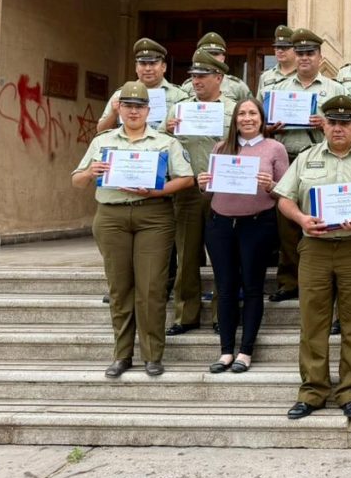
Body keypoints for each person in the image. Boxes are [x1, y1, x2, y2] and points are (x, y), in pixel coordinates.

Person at [275, 95, 351, 420]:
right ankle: (313, 391)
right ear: (324, 125)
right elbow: (284, 198)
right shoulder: (305, 158)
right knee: (313, 323)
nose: (339, 128)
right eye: (333, 122)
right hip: (314, 248)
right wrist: (301, 219)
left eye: (346, 123)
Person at [71, 82, 194, 378]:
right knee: (119, 288)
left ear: (148, 111)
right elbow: (76, 179)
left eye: (139, 106)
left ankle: (153, 355)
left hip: (153, 216)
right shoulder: (102, 141)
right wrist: (91, 172)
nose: (134, 111)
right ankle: (122, 355)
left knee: (151, 288)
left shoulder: (165, 141)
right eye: (128, 106)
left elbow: (187, 178)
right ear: (120, 108)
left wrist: (157, 190)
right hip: (111, 217)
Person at [196, 97, 289, 374]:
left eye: (252, 113)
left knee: (251, 287)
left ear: (261, 119)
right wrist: (203, 184)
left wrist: (271, 185)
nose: (247, 118)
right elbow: (212, 191)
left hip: (257, 225)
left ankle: (245, 351)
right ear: (235, 119)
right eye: (242, 114)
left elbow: (286, 192)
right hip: (220, 225)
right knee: (224, 288)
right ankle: (225, 351)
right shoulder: (221, 147)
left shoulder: (275, 148)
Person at [266, 28, 346, 303]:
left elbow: (348, 127)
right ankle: (289, 281)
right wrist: (270, 127)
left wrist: (324, 123)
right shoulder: (277, 90)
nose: (304, 58)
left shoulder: (335, 89)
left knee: (327, 217)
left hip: (322, 158)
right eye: (299, 53)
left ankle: (331, 280)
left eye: (309, 53)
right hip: (287, 157)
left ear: (320, 56)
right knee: (287, 222)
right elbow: (261, 128)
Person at [162, 50, 237, 336]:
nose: (196, 81)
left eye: (203, 76)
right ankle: (186, 314)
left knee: (223, 255)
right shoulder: (179, 108)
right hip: (189, 189)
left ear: (219, 77)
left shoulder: (233, 109)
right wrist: (166, 129)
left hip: (224, 189)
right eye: (193, 76)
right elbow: (162, 144)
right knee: (187, 254)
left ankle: (222, 312)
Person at [97, 38, 188, 132]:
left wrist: (174, 128)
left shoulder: (179, 96)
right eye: (143, 64)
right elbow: (101, 131)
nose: (148, 68)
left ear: (164, 67)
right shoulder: (121, 94)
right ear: (136, 67)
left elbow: (192, 137)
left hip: (163, 145)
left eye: (153, 63)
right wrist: (113, 113)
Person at [181, 32, 253, 104]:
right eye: (206, 54)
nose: (211, 58)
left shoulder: (238, 87)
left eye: (215, 54)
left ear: (223, 58)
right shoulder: (188, 87)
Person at [258, 25, 296, 92]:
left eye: (284, 47)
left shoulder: (304, 75)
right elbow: (260, 102)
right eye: (277, 47)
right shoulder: (266, 76)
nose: (280, 51)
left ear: (295, 49)